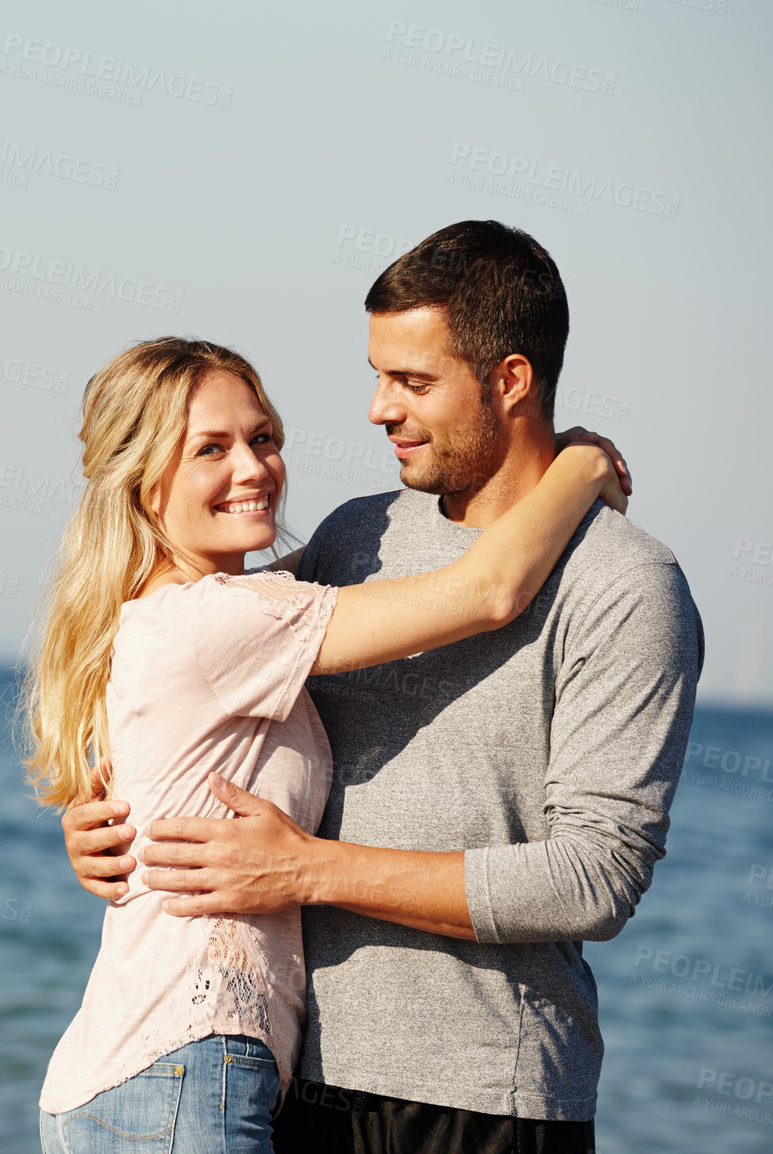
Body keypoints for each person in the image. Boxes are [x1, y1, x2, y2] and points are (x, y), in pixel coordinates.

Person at [58, 221, 703, 1153]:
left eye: (412, 381)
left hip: (486, 1098)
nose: (375, 409)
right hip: (291, 1080)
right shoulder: (352, 541)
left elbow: (593, 880)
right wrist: (102, 826)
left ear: (510, 380)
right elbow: (193, 699)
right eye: (378, 374)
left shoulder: (624, 583)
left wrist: (313, 870)